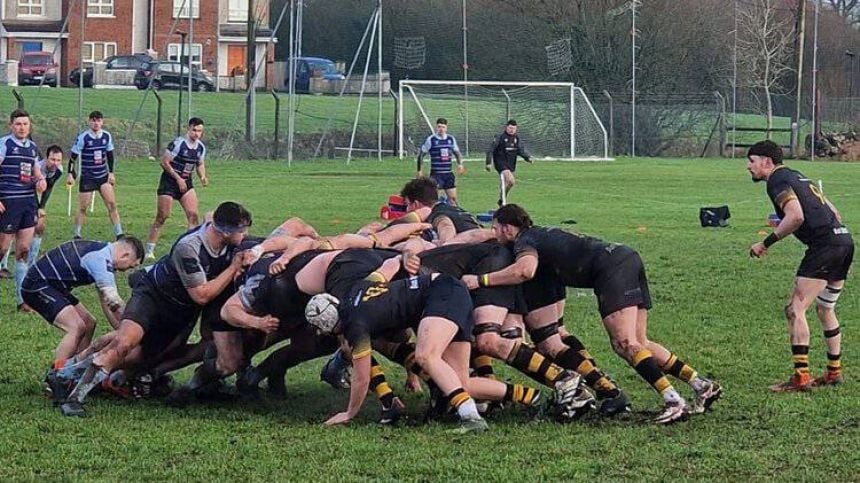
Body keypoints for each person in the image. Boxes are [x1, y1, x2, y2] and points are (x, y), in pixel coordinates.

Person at [463, 204, 722, 424]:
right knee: (641, 342)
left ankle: (673, 400)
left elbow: (525, 271)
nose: (493, 233)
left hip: (609, 270)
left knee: (624, 344)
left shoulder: (525, 241)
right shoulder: (541, 234)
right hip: (626, 256)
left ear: (509, 228)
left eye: (496, 228)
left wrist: (481, 280)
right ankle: (701, 385)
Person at [54, 201, 252, 417]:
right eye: (242, 230)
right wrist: (233, 268)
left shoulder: (223, 236)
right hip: (153, 297)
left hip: (180, 313)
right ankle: (73, 398)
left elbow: (210, 214)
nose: (245, 234)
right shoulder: (190, 247)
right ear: (224, 231)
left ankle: (64, 374)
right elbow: (201, 295)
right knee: (124, 342)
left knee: (138, 357)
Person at [747, 140, 854, 391]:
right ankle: (833, 372)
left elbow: (795, 216)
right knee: (825, 308)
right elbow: (835, 212)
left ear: (767, 162)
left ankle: (801, 377)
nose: (748, 167)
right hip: (844, 241)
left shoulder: (777, 181)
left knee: (796, 309)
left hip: (825, 248)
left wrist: (765, 243)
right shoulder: (797, 176)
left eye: (751, 161)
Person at [24, 236, 143, 394]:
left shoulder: (101, 251)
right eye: (129, 266)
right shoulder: (101, 260)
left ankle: (76, 373)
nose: (125, 271)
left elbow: (106, 302)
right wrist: (134, 327)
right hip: (37, 285)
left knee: (88, 323)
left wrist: (124, 330)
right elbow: (114, 302)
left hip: (54, 286)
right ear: (125, 255)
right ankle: (56, 378)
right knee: (76, 327)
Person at [0, 109, 47, 311]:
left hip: (28, 203)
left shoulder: (32, 148)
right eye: (18, 124)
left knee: (24, 251)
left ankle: (22, 300)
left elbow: (36, 172)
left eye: (25, 124)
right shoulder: (5, 144)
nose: (22, 127)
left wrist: (41, 180)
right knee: (2, 250)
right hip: (9, 203)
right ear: (11, 125)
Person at [145, 117, 209, 260]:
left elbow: (199, 164)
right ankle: (149, 249)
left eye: (200, 131)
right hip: (169, 182)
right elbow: (164, 162)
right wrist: (178, 178)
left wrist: (203, 177)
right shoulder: (178, 143)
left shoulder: (200, 147)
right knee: (162, 216)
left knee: (193, 215)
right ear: (189, 128)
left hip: (186, 183)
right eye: (194, 130)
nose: (197, 134)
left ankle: (189, 249)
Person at [0, 144, 63, 279]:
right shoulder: (36, 167)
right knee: (9, 233)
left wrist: (41, 207)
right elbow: (28, 188)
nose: (55, 163)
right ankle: (3, 266)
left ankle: (32, 264)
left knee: (39, 227)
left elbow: (49, 189)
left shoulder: (59, 170)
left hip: (32, 201)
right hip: (19, 198)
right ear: (46, 158)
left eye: (58, 160)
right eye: (52, 159)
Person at [67, 111, 123, 239]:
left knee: (112, 204)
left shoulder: (107, 136)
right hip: (88, 177)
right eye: (93, 120)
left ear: (102, 122)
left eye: (98, 120)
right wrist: (70, 173)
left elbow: (110, 156)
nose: (96, 123)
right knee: (82, 208)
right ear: (89, 122)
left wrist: (111, 173)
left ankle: (119, 233)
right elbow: (73, 158)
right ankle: (77, 234)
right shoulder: (84, 137)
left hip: (103, 177)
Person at [416, 118, 464, 205]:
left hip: (448, 174)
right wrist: (419, 170)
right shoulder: (431, 140)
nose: (441, 129)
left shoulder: (451, 139)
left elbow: (457, 153)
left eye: (443, 127)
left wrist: (460, 164)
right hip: (436, 174)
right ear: (436, 127)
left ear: (446, 128)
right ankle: (432, 216)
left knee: (453, 199)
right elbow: (421, 155)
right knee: (433, 199)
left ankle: (455, 216)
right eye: (439, 127)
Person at [485, 120, 531, 206]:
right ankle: (503, 202)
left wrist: (527, 158)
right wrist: (488, 162)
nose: (512, 130)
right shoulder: (500, 137)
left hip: (510, 165)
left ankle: (502, 199)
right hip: (500, 163)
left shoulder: (516, 138)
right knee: (511, 180)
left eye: (514, 128)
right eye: (510, 128)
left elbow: (520, 150)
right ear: (506, 127)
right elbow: (491, 150)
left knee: (509, 183)